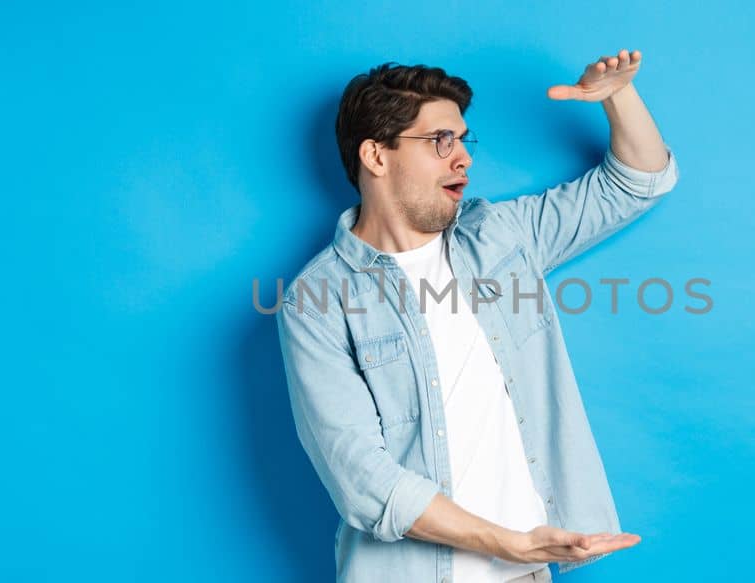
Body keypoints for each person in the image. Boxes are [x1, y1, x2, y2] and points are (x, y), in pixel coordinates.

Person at [276, 49, 679, 582]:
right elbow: (362, 480)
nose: (462, 158)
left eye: (464, 140)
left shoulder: (502, 237)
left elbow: (637, 182)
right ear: (376, 156)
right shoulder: (316, 301)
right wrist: (506, 542)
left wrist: (618, 97)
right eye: (441, 141)